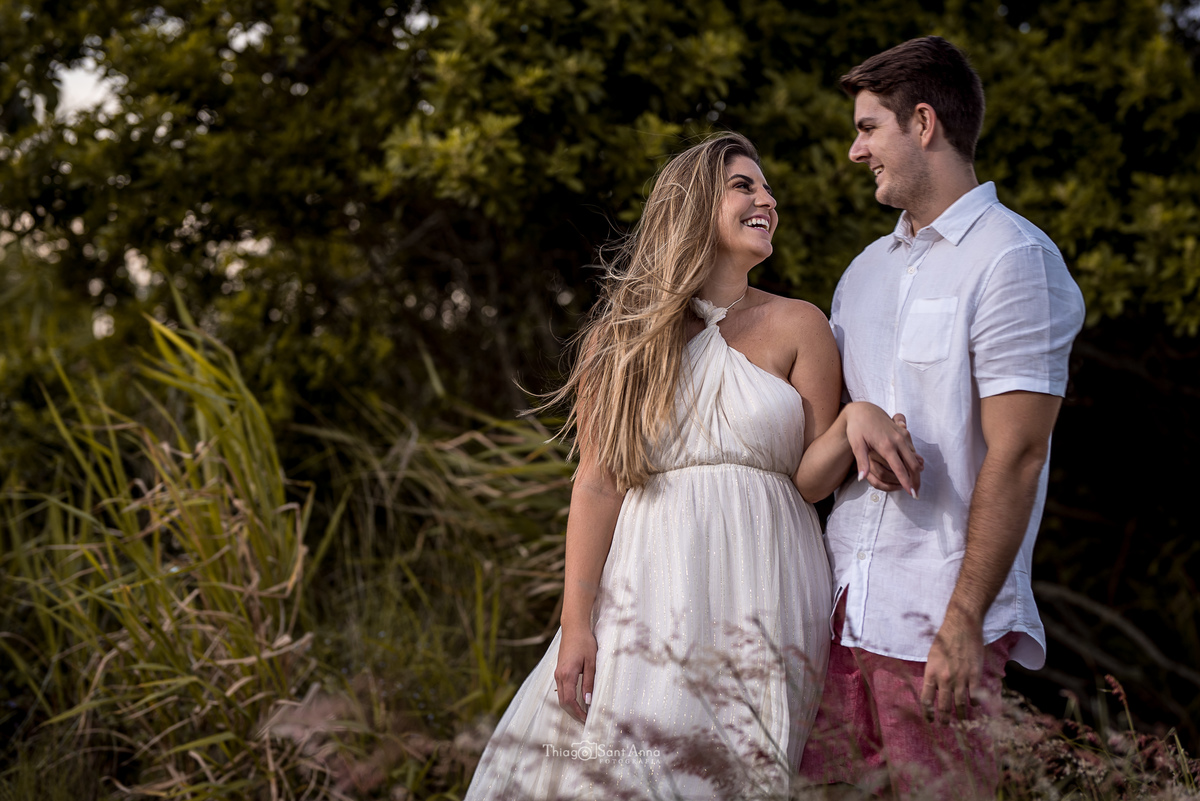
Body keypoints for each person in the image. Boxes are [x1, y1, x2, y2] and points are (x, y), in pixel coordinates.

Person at [464, 133, 921, 800]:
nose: (766, 198)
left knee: (733, 773)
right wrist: (576, 626)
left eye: (767, 188)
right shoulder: (624, 337)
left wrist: (855, 418)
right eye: (744, 185)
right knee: (619, 765)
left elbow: (811, 478)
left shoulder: (801, 325)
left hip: (768, 582)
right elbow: (597, 483)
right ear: (693, 205)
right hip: (650, 581)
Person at [798, 36, 1087, 798]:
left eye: (868, 128)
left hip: (933, 627)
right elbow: (827, 437)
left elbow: (1018, 455)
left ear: (922, 122)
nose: (856, 150)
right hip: (836, 617)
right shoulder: (862, 273)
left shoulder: (1014, 259)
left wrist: (963, 620)